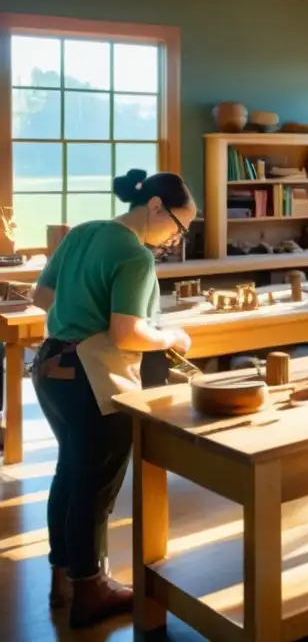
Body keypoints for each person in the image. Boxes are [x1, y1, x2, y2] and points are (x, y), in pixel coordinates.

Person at [30, 169, 195, 628]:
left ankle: (63, 577)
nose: (174, 241)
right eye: (178, 228)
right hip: (92, 378)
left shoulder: (83, 232)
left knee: (69, 472)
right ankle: (91, 589)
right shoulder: (135, 256)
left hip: (50, 369)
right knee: (96, 487)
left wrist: (80, 313)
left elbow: (43, 296)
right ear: (157, 208)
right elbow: (128, 333)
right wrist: (171, 338)